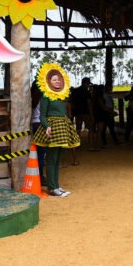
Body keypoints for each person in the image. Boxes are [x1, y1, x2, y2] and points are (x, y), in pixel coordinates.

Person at [32, 65, 81, 197]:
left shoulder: (63, 97)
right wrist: (47, 126)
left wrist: (69, 127)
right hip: (52, 129)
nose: (57, 81)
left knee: (58, 158)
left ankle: (57, 186)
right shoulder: (45, 96)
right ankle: (52, 188)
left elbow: (65, 113)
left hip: (62, 128)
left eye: (58, 79)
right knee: (52, 158)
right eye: (54, 79)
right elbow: (42, 116)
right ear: (48, 81)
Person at [70, 77, 99, 151]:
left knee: (78, 129)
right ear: (86, 83)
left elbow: (71, 102)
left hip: (77, 113)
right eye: (88, 84)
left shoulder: (75, 91)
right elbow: (89, 104)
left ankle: (77, 146)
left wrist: (74, 111)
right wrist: (91, 114)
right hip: (86, 112)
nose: (89, 85)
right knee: (91, 129)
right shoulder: (87, 92)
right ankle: (91, 146)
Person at [30, 82, 48, 186]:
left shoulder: (31, 97)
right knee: (41, 154)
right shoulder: (42, 97)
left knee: (36, 153)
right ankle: (40, 177)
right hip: (40, 125)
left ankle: (37, 175)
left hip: (33, 124)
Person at [97, 83, 121, 147]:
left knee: (108, 127)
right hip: (105, 112)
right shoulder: (103, 96)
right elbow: (103, 106)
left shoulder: (106, 95)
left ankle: (105, 142)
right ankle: (103, 143)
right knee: (104, 128)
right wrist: (111, 111)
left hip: (107, 112)